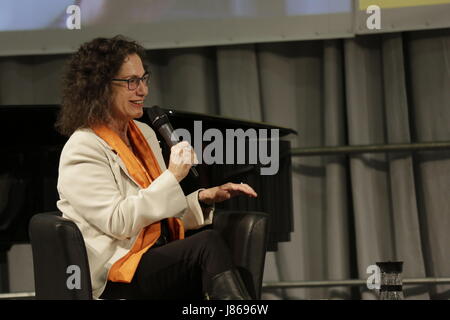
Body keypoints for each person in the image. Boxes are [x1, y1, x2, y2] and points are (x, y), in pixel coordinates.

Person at [55, 35, 258, 300]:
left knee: (236, 272)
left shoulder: (143, 134)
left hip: (150, 256)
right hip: (115, 273)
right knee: (206, 246)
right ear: (101, 87)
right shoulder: (83, 147)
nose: (143, 91)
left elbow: (156, 215)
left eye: (144, 78)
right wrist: (173, 176)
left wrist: (203, 198)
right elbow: (119, 222)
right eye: (131, 82)